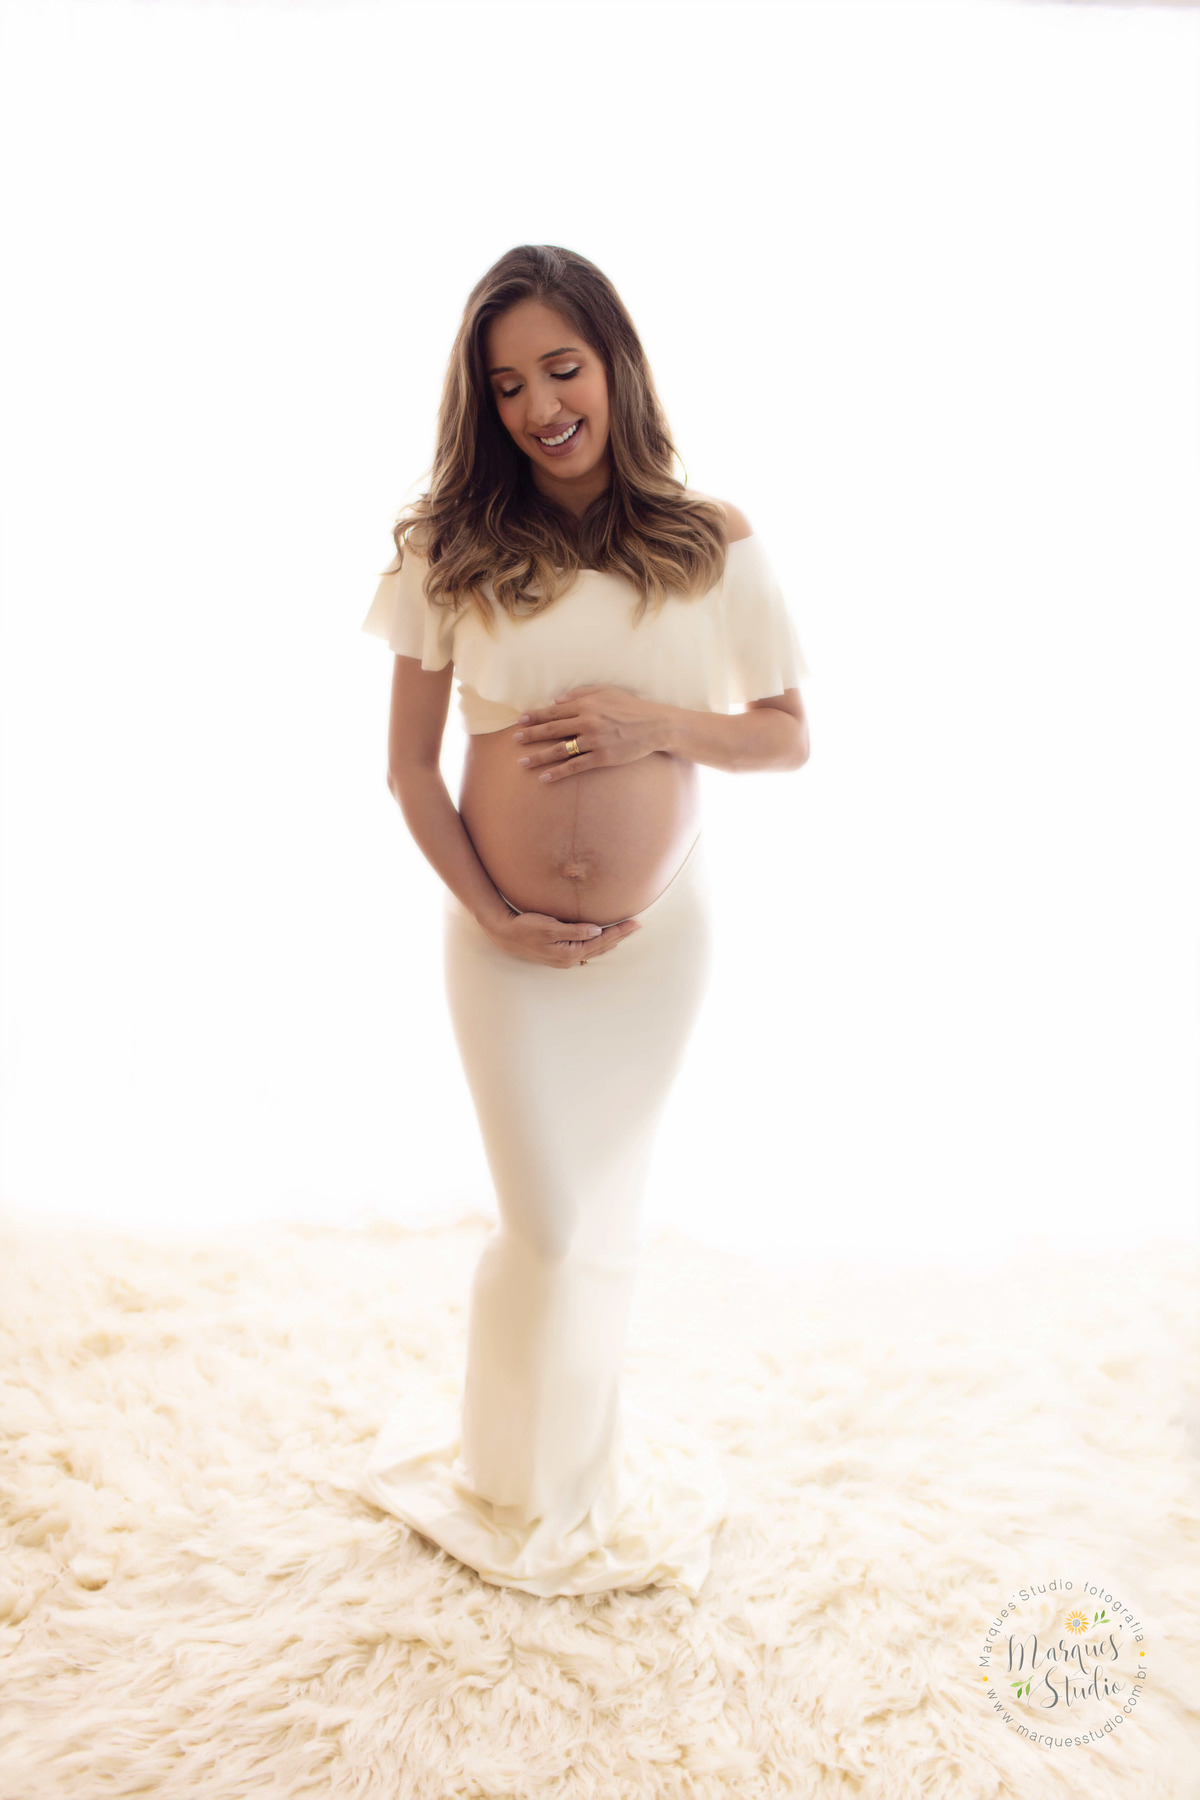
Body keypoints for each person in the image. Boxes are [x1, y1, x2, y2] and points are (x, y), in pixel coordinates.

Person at [358, 243, 812, 1599]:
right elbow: (409, 770)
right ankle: (504, 1480)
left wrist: (652, 724)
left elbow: (785, 736)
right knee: (545, 1224)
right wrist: (491, 913)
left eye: (562, 369)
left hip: (654, 954)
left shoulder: (710, 541)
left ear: (615, 362)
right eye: (507, 386)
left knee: (604, 1219)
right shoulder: (450, 547)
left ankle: (576, 1475)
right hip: (496, 947)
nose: (541, 406)